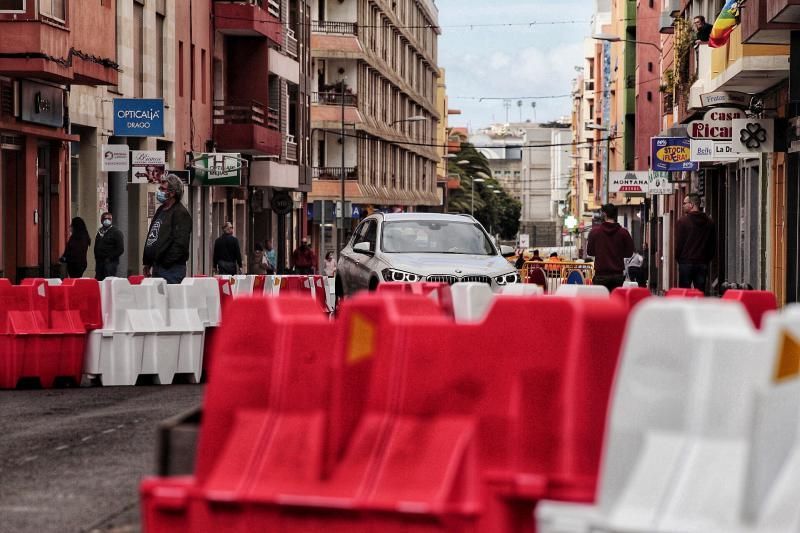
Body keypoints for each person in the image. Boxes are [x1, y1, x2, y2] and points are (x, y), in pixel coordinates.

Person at [142, 174, 192, 284]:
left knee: (169, 299)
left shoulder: (180, 213)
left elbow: (180, 244)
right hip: (157, 267)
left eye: (163, 189)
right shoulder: (161, 210)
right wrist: (148, 262)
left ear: (172, 193)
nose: (159, 191)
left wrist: (165, 262)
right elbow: (153, 236)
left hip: (171, 270)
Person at [586, 203, 634, 292]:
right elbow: (629, 253)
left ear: (604, 214)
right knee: (615, 301)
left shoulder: (595, 232)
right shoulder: (623, 233)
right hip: (617, 276)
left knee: (602, 303)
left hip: (601, 275)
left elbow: (590, 252)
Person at [675, 193, 715, 293]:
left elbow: (679, 243)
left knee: (684, 292)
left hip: (686, 262)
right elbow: (712, 244)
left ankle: (684, 309)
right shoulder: (709, 222)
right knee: (700, 292)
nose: (683, 205)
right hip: (702, 263)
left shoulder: (683, 221)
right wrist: (706, 259)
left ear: (692, 205)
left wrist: (679, 258)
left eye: (685, 203)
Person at [93, 212, 124, 280]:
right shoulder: (100, 232)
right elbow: (96, 246)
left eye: (109, 219)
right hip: (99, 263)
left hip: (110, 263)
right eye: (105, 218)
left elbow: (120, 249)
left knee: (108, 280)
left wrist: (110, 257)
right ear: (101, 220)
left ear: (111, 220)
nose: (107, 220)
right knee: (99, 280)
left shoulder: (116, 232)